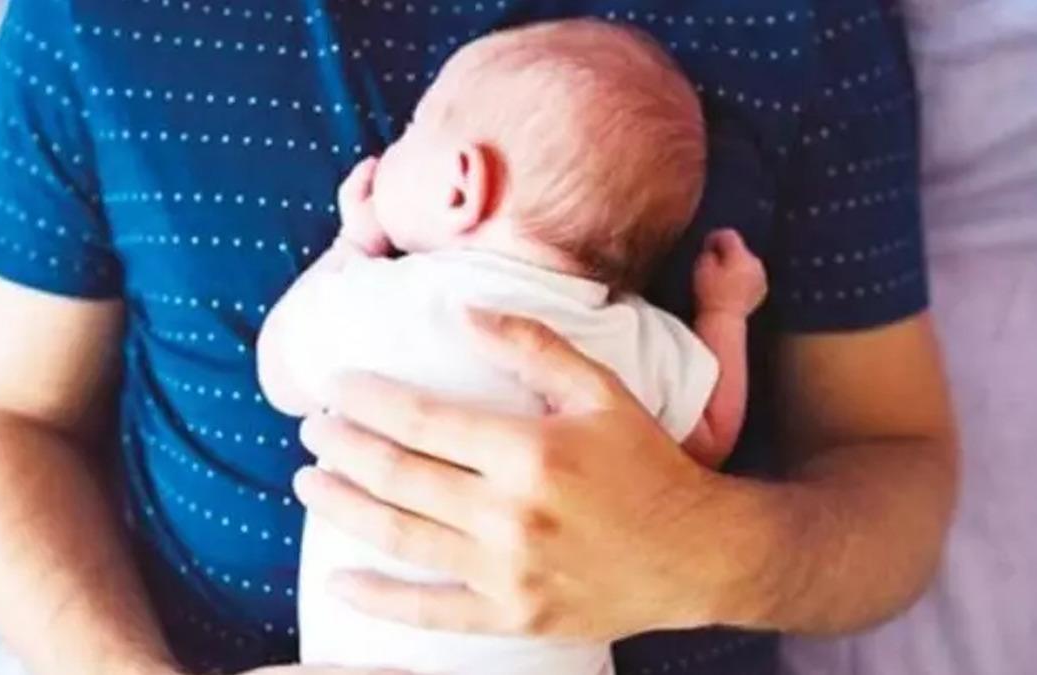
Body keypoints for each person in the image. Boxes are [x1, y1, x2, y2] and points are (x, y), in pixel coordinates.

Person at [0, 2, 957, 674]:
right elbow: (9, 418)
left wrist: (697, 552)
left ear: (461, 182)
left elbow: (894, 462)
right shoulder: (101, 17)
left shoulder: (795, 20)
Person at [258, 20, 767, 674]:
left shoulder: (382, 298)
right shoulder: (629, 337)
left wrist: (350, 246)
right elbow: (709, 436)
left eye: (412, 131)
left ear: (460, 186)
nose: (392, 149)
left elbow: (279, 373)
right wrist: (725, 311)